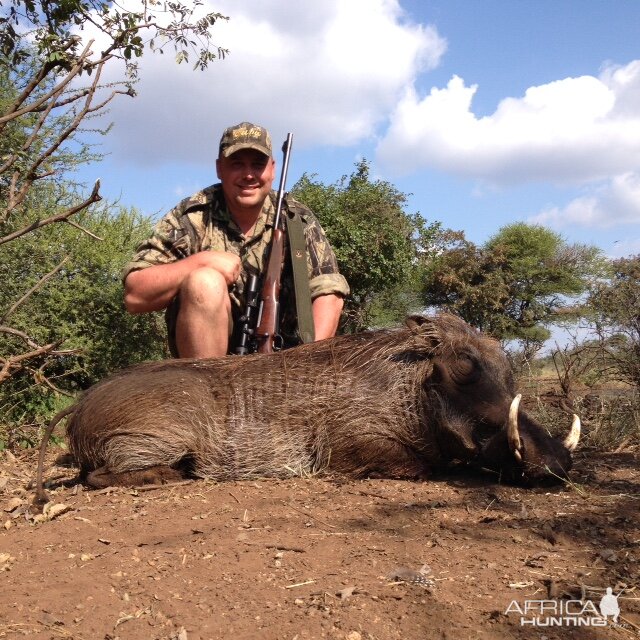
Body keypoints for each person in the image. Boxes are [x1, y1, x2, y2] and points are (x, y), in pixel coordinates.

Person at [123, 122, 349, 358]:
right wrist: (200, 262)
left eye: (258, 164)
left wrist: (306, 363)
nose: (249, 174)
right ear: (219, 168)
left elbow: (329, 292)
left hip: (285, 362)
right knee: (204, 281)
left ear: (272, 169)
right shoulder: (194, 215)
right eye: (237, 164)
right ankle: (210, 390)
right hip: (207, 365)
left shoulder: (296, 219)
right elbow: (135, 294)